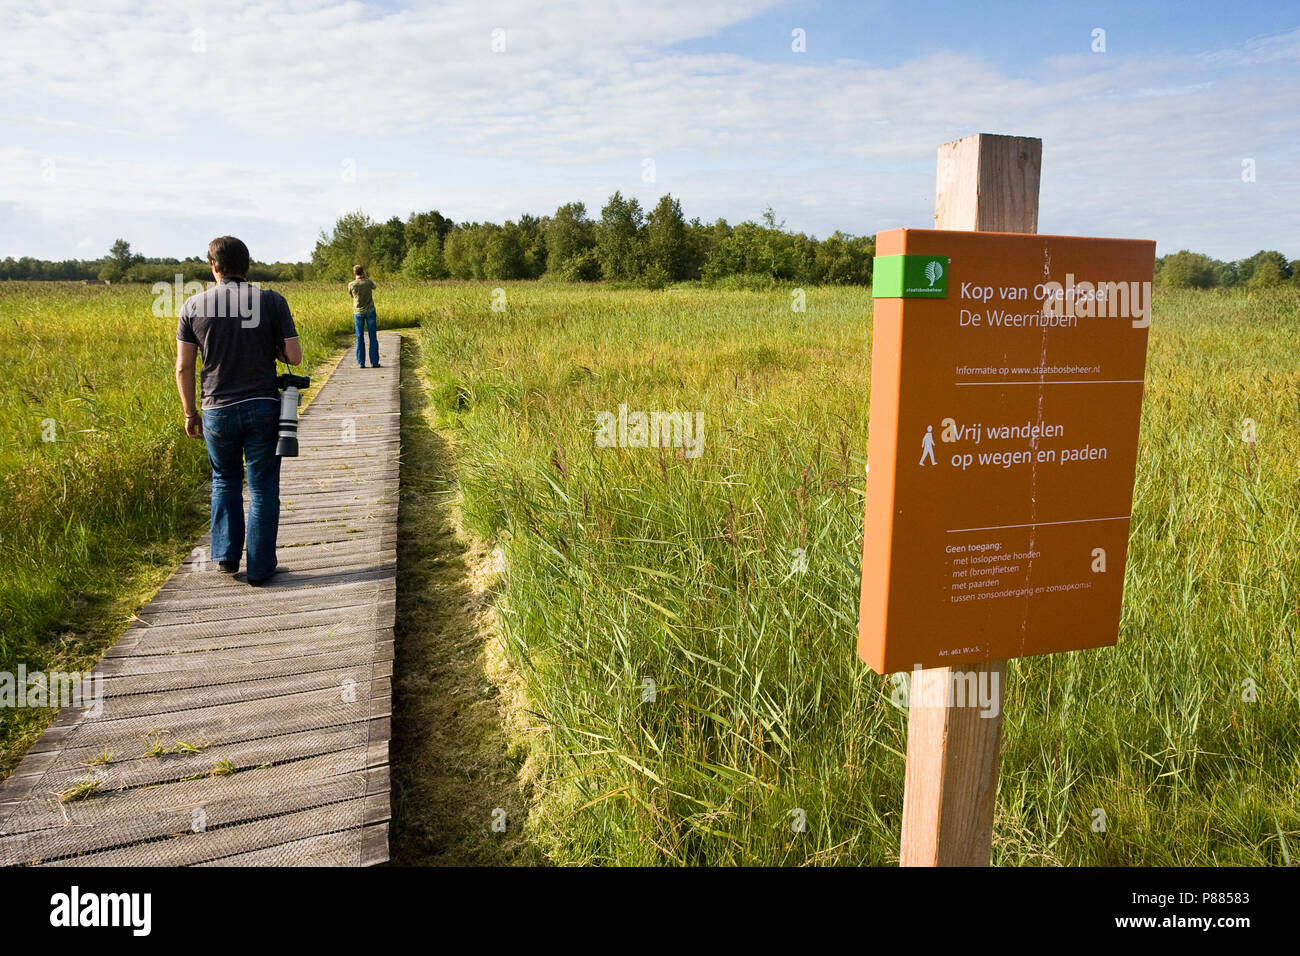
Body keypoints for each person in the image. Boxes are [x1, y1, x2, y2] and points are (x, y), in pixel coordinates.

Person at [175, 236, 302, 585]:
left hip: (216, 409)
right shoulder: (271, 301)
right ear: (247, 265)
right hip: (263, 406)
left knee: (224, 480)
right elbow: (293, 356)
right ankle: (261, 569)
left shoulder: (192, 307)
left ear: (214, 266)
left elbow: (184, 368)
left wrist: (190, 413)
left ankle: (227, 557)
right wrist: (273, 348)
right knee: (262, 488)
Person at [348, 265, 380, 368]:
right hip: (370, 311)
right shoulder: (368, 282)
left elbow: (351, 296)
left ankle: (361, 362)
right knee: (373, 337)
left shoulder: (351, 284)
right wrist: (366, 277)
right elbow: (374, 287)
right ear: (363, 272)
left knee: (359, 337)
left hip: (358, 312)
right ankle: (374, 362)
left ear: (354, 273)